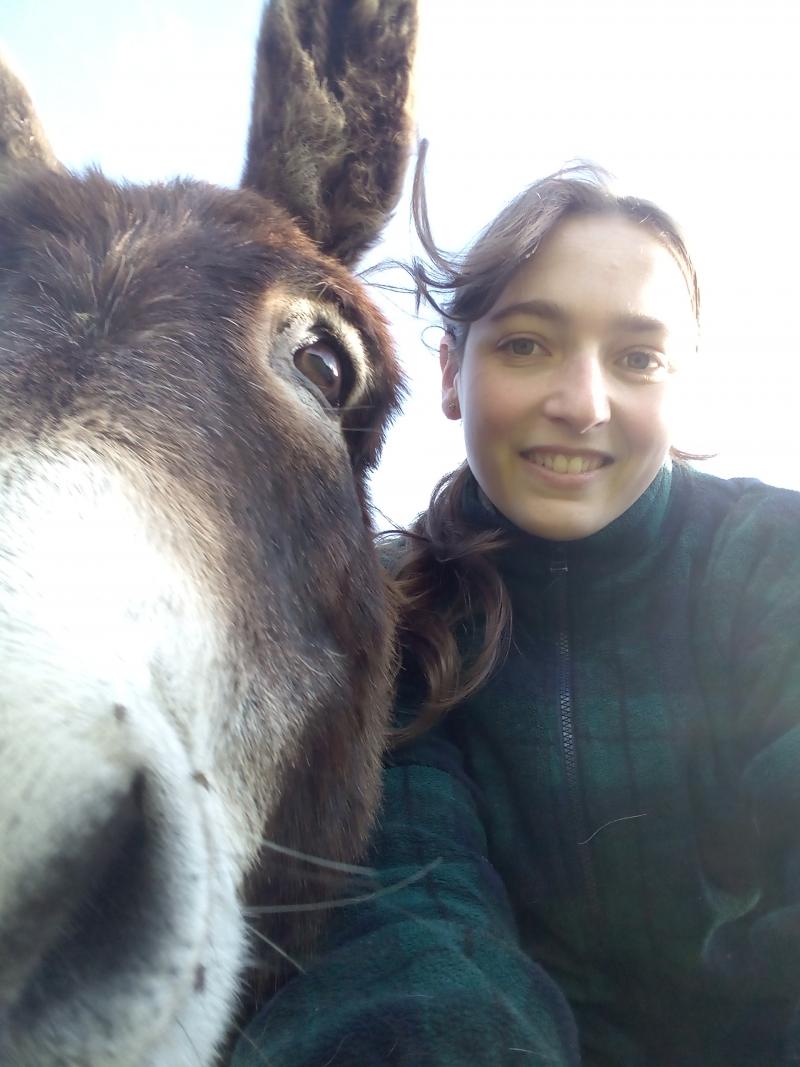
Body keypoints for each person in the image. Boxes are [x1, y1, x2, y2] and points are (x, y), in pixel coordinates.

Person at [231, 162, 800, 1066]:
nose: (581, 403)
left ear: (678, 387)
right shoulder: (391, 614)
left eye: (638, 358)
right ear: (452, 374)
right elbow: (405, 935)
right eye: (527, 345)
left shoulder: (773, 557)